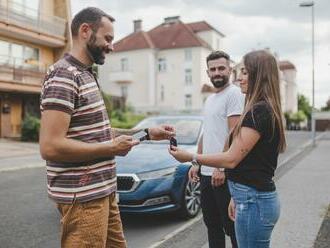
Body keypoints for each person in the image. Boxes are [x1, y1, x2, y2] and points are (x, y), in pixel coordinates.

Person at [39, 7, 174, 248]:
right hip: (83, 199)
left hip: (103, 193)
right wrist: (109, 148)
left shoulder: (86, 75)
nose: (112, 46)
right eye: (108, 39)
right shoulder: (64, 75)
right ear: (85, 31)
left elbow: (98, 136)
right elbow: (50, 147)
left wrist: (146, 134)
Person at [169, 50, 286, 248]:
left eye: (245, 72)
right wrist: (237, 198)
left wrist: (192, 157)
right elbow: (212, 134)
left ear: (260, 75)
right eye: (241, 72)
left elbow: (232, 155)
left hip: (253, 200)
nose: (239, 77)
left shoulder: (258, 111)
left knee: (233, 236)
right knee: (213, 226)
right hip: (247, 197)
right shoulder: (257, 108)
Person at [188, 51, 244, 248]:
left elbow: (234, 133)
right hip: (206, 173)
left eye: (221, 68)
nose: (217, 72)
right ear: (208, 72)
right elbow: (206, 133)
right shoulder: (210, 99)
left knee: (232, 227)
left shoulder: (234, 94)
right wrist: (197, 162)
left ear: (229, 69)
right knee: (211, 224)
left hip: (223, 173)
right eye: (213, 69)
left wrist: (221, 168)